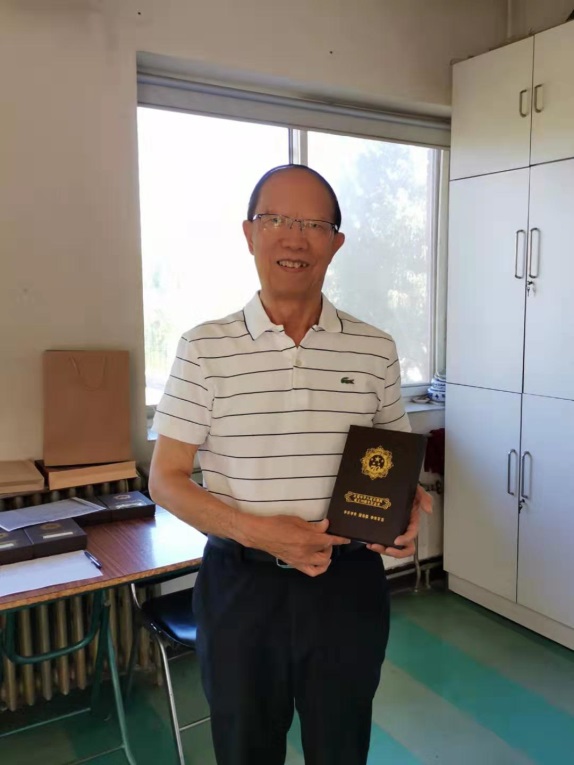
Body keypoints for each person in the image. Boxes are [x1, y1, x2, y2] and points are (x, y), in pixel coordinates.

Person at [149, 164, 432, 765]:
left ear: (336, 242)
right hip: (241, 589)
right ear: (249, 233)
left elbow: (393, 464)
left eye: (313, 224)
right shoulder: (204, 348)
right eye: (275, 218)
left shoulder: (374, 348)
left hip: (348, 586)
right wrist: (258, 531)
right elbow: (165, 480)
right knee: (245, 749)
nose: (294, 238)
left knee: (342, 747)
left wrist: (405, 509)